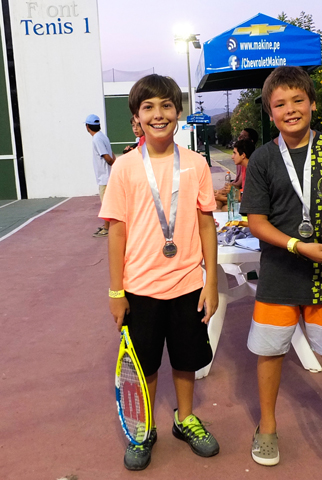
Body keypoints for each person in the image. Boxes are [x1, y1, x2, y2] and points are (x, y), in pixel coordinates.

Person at [240, 66, 322, 468]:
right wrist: (297, 244)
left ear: (312, 103)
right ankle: (268, 428)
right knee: (270, 353)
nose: (290, 109)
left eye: (298, 100)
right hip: (279, 272)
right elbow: (256, 222)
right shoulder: (262, 159)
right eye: (280, 104)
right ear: (270, 113)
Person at [99, 74, 220, 471]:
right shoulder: (126, 168)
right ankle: (146, 427)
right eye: (148, 107)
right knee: (146, 365)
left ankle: (185, 419)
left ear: (178, 113)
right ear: (136, 119)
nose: (158, 114)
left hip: (187, 284)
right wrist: (117, 292)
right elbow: (116, 232)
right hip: (140, 288)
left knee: (186, 360)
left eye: (166, 105)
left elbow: (206, 225)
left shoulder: (197, 164)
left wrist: (211, 282)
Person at [85, 114, 116, 237]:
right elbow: (111, 153)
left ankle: (107, 229)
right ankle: (106, 226)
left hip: (104, 178)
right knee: (107, 203)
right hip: (107, 176)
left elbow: (107, 157)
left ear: (87, 126)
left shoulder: (96, 139)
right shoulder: (103, 136)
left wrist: (115, 166)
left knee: (106, 204)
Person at [214, 139, 255, 210]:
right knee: (216, 201)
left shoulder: (254, 171)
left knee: (225, 208)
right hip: (244, 200)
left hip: (251, 206)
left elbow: (246, 197)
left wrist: (222, 197)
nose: (232, 157)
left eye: (234, 153)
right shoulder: (245, 167)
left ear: (243, 155)